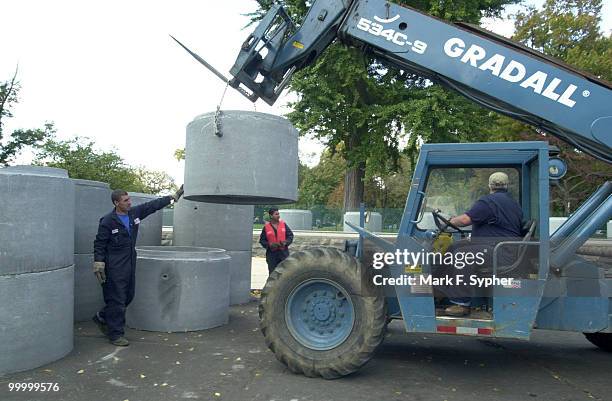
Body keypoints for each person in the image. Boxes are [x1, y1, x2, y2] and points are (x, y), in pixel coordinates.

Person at [92, 186, 184, 346]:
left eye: (129, 199)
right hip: (114, 264)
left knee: (128, 296)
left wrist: (172, 197)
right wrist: (98, 261)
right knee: (117, 299)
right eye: (125, 200)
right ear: (116, 203)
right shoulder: (108, 221)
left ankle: (102, 316)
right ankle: (115, 335)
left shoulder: (134, 214)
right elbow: (99, 243)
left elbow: (152, 206)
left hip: (129, 261)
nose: (129, 202)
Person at [439, 172, 523, 316]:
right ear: (507, 186)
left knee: (463, 255)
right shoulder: (513, 203)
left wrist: (449, 221)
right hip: (502, 248)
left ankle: (461, 303)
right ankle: (442, 289)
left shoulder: (489, 202)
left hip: (500, 251)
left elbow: (465, 220)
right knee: (454, 247)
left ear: (490, 186)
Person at [259, 208, 294, 274]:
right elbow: (262, 240)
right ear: (271, 216)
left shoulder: (284, 225)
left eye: (278, 214)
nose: (278, 216)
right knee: (273, 273)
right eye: (276, 214)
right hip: (272, 255)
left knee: (285, 272)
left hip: (283, 253)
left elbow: (290, 236)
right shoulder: (266, 227)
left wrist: (286, 242)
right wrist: (270, 245)